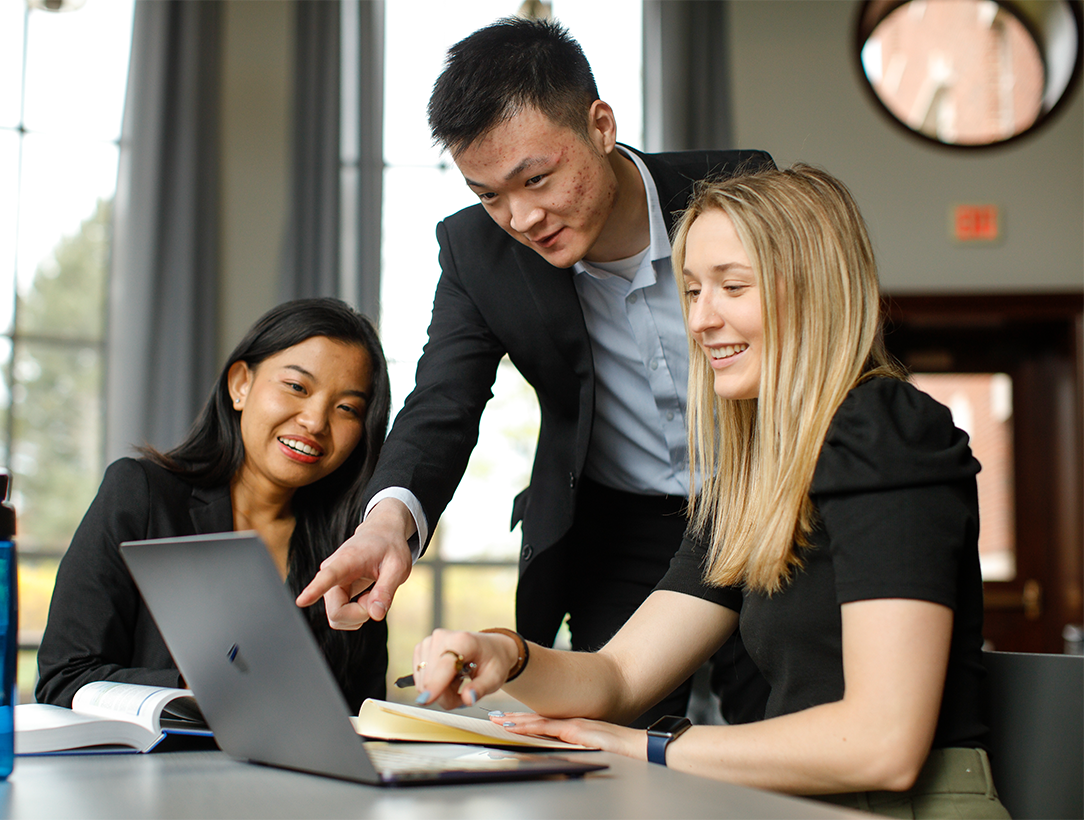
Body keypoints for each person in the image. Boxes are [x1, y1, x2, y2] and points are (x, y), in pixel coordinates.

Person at [407, 165, 1010, 819]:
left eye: (732, 287)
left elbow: (881, 745)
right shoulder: (754, 475)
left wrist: (653, 747)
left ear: (815, 292)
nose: (700, 319)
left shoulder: (882, 427)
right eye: (691, 291)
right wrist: (505, 653)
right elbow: (618, 677)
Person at [298, 17, 771, 727]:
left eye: (537, 178)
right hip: (622, 528)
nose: (520, 217)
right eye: (489, 194)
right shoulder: (474, 253)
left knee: (779, 727)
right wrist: (386, 526)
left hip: (769, 502)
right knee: (615, 744)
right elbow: (443, 403)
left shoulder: (743, 191)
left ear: (601, 125)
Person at [36, 298, 391, 713]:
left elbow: (362, 716)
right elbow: (64, 679)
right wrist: (212, 684)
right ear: (241, 384)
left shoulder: (350, 550)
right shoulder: (142, 494)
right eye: (296, 387)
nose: (315, 421)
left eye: (347, 408)